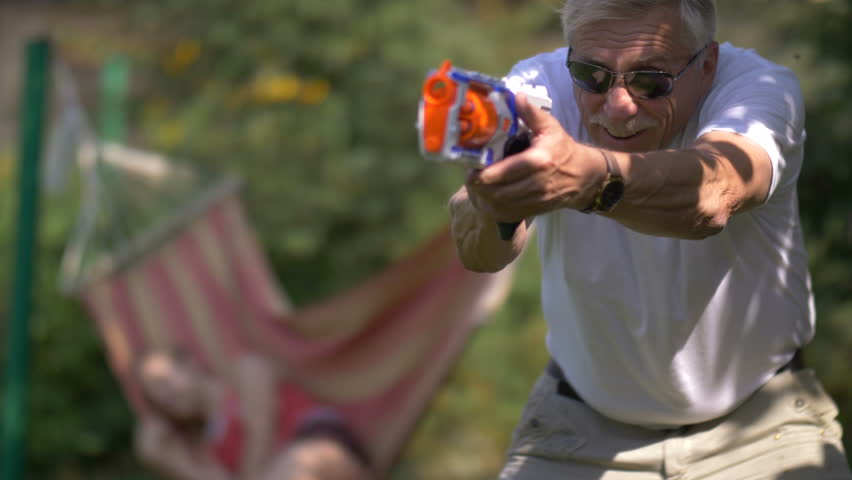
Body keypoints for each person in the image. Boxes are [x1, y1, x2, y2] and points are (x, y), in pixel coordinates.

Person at [447, 1, 852, 478]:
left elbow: (714, 192)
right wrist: (495, 203)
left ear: (707, 64)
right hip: (579, 428)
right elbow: (478, 249)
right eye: (591, 74)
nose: (618, 105)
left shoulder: (759, 88)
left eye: (650, 79)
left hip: (763, 429)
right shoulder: (539, 86)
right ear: (569, 56)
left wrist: (592, 178)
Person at [134, 349, 373, 480]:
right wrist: (165, 458)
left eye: (164, 382)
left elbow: (260, 429)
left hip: (323, 449)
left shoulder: (245, 372)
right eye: (156, 399)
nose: (164, 397)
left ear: (189, 364)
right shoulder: (211, 451)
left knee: (297, 462)